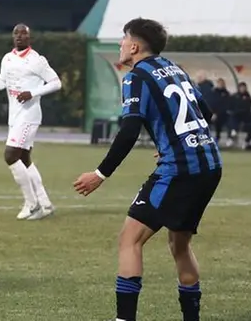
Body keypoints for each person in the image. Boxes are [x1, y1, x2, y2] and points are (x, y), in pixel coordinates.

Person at [73, 18, 222, 321]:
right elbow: (204, 113)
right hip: (210, 164)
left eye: (123, 38)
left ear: (135, 46)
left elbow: (129, 131)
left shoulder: (136, 77)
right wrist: (175, 140)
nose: (120, 44)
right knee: (179, 244)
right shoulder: (174, 67)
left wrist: (99, 174)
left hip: (180, 169)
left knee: (130, 239)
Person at [0, 24, 61, 220]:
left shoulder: (37, 60)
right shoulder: (7, 58)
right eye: (16, 33)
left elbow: (56, 82)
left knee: (10, 155)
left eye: (23, 33)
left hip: (29, 116)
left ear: (29, 37)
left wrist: (32, 93)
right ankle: (45, 204)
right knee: (24, 159)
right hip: (15, 116)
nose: (19, 36)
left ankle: (31, 204)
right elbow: (3, 80)